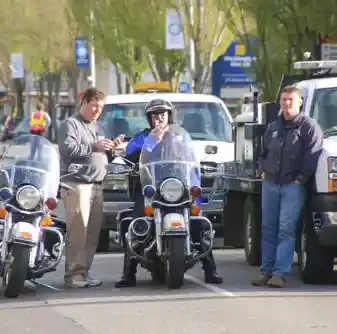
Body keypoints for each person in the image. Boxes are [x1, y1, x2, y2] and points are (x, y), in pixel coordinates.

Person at [114, 98, 223, 288]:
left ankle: (210, 269)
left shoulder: (180, 136)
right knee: (137, 223)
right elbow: (131, 155)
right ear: (149, 118)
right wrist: (151, 141)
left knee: (199, 221)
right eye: (155, 114)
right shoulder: (142, 137)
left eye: (162, 114)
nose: (159, 118)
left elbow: (190, 157)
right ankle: (128, 273)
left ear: (169, 116)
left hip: (178, 186)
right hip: (152, 188)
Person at [252, 85, 323, 288]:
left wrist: (300, 179)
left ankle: (279, 273)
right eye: (283, 99)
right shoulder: (274, 127)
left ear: (300, 102)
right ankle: (266, 271)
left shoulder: (309, 127)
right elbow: (263, 151)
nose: (286, 103)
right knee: (268, 228)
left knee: (285, 229)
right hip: (270, 183)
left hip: (293, 185)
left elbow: (313, 155)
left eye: (291, 99)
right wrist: (261, 169)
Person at [58, 87, 124, 289]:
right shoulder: (70, 124)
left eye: (101, 107)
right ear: (84, 103)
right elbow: (68, 149)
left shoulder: (99, 126)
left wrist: (112, 147)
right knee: (78, 230)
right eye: (94, 105)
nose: (97, 110)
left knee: (93, 232)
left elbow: (103, 154)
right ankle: (73, 275)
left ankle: (84, 272)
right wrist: (94, 146)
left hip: (97, 184)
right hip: (77, 183)